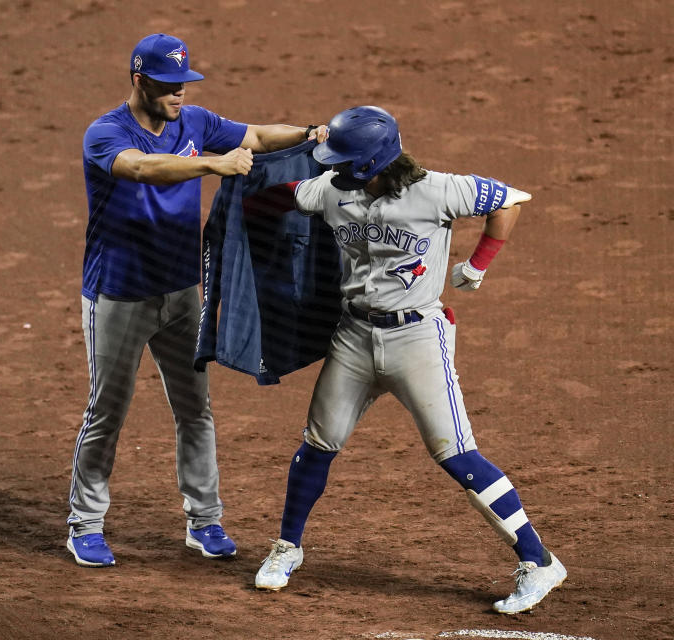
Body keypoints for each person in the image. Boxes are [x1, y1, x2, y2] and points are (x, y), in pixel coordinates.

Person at [251, 106, 567, 614]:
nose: (334, 167)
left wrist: (478, 265)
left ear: (373, 159)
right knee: (317, 444)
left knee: (457, 455)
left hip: (417, 338)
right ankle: (287, 547)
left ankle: (539, 560)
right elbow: (282, 197)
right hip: (352, 337)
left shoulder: (440, 190)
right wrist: (247, 205)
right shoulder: (331, 189)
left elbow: (509, 201)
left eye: (345, 159)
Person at [66, 33, 328, 567]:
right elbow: (139, 167)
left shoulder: (196, 121)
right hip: (118, 295)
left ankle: (204, 521)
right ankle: (84, 525)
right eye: (168, 86)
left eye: (184, 84)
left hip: (183, 291)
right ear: (140, 81)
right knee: (107, 412)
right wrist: (214, 166)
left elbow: (253, 134)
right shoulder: (106, 133)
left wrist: (306, 133)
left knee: (195, 409)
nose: (179, 95)